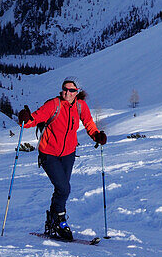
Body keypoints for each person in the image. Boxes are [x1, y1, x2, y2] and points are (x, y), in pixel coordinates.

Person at [17, 79, 107, 240]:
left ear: (77, 92)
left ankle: (53, 220)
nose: (67, 93)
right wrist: (25, 119)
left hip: (68, 154)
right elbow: (34, 119)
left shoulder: (80, 106)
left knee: (62, 189)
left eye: (71, 91)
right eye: (65, 89)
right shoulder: (53, 105)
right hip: (48, 154)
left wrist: (96, 135)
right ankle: (60, 220)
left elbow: (88, 122)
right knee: (64, 188)